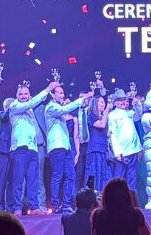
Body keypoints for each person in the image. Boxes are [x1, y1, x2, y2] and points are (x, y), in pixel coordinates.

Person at [5, 80, 59, 215]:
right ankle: (17, 208)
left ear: (29, 94)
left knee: (33, 180)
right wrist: (47, 89)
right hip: (19, 149)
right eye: (21, 94)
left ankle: (34, 207)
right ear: (17, 96)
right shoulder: (15, 106)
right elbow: (31, 103)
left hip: (32, 149)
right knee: (18, 180)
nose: (23, 96)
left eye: (26, 94)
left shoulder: (29, 110)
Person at [44, 85, 92, 214]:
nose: (62, 95)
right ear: (53, 95)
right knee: (57, 175)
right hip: (56, 146)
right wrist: (82, 99)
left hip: (66, 147)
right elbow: (65, 108)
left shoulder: (60, 109)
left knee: (71, 176)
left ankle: (66, 204)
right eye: (59, 93)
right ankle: (55, 205)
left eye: (62, 93)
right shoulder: (51, 107)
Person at [107, 90, 144, 188]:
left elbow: (138, 115)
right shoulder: (112, 115)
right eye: (119, 100)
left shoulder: (129, 113)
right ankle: (114, 201)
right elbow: (112, 135)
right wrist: (117, 151)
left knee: (132, 178)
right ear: (115, 102)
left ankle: (131, 200)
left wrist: (137, 104)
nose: (123, 102)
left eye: (124, 99)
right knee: (118, 179)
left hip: (133, 150)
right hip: (122, 152)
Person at [83, 94, 110, 192]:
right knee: (93, 174)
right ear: (95, 103)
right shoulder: (91, 116)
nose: (104, 104)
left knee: (103, 175)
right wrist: (107, 110)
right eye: (101, 102)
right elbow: (101, 125)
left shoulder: (102, 117)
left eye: (104, 102)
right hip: (95, 149)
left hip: (103, 150)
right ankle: (91, 197)